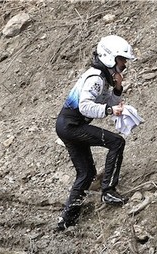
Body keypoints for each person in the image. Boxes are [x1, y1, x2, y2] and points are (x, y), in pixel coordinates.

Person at [55, 35, 136, 231]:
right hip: (72, 125)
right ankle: (108, 190)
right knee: (116, 142)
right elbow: (85, 107)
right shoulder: (96, 79)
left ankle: (66, 222)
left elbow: (109, 102)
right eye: (121, 59)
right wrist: (110, 111)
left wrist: (117, 88)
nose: (124, 64)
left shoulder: (102, 78)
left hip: (67, 126)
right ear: (109, 57)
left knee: (86, 173)